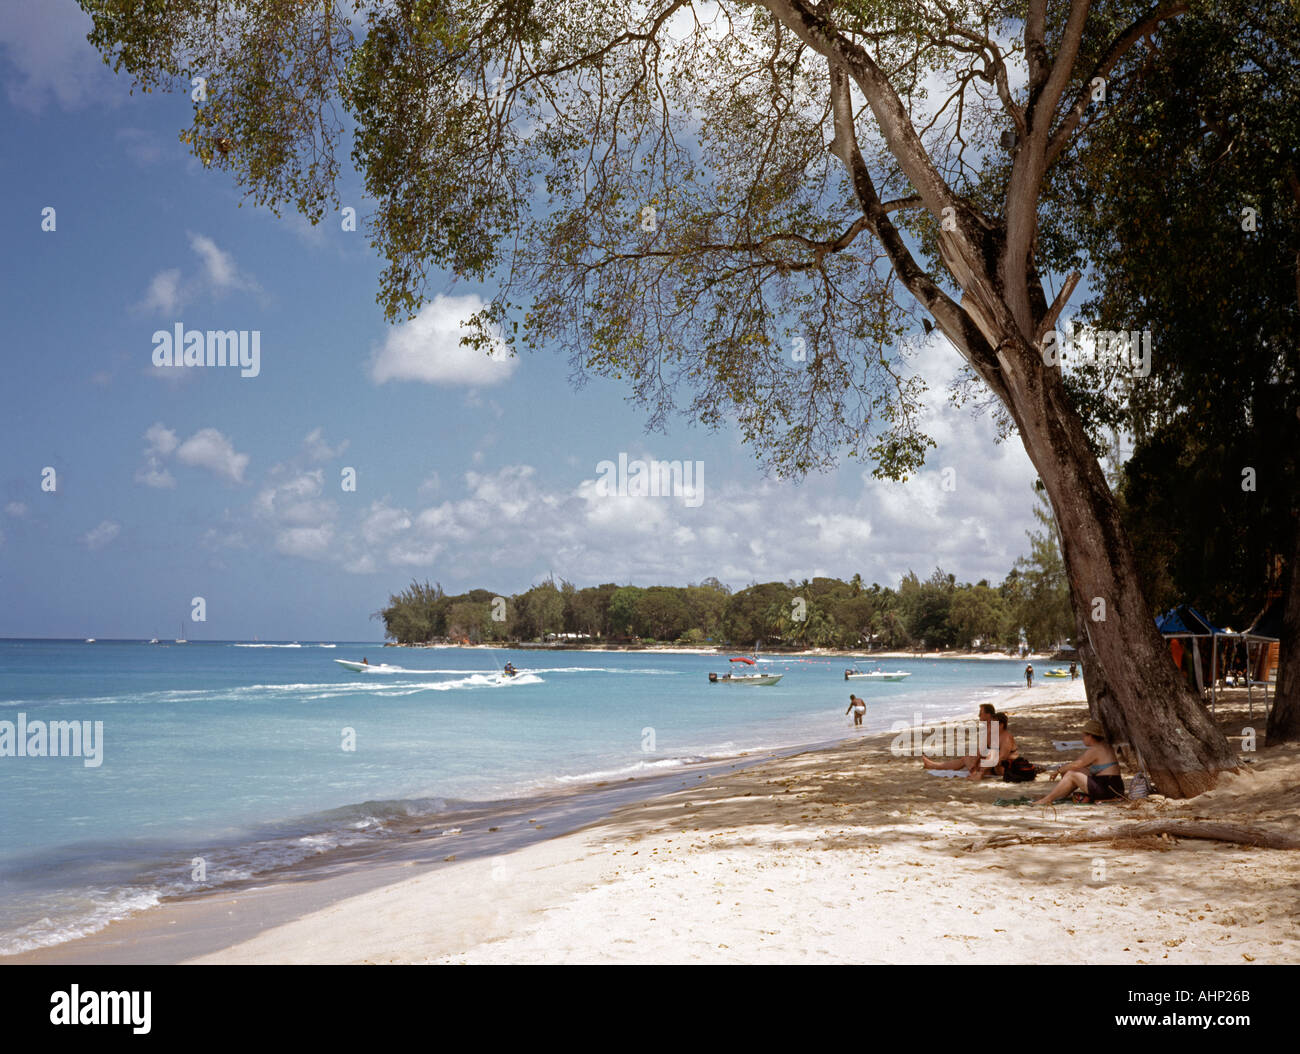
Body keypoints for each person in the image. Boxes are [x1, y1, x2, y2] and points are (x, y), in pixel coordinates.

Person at [1032, 718, 1123, 805]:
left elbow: (1077, 764)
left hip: (1107, 789)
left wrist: (1058, 771)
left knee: (1071, 774)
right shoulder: (1104, 746)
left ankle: (1048, 799)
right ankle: (1058, 795)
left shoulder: (1096, 749)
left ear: (1090, 736)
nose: (1082, 738)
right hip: (1113, 787)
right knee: (1073, 771)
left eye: (1084, 736)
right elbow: (1078, 764)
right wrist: (1064, 769)